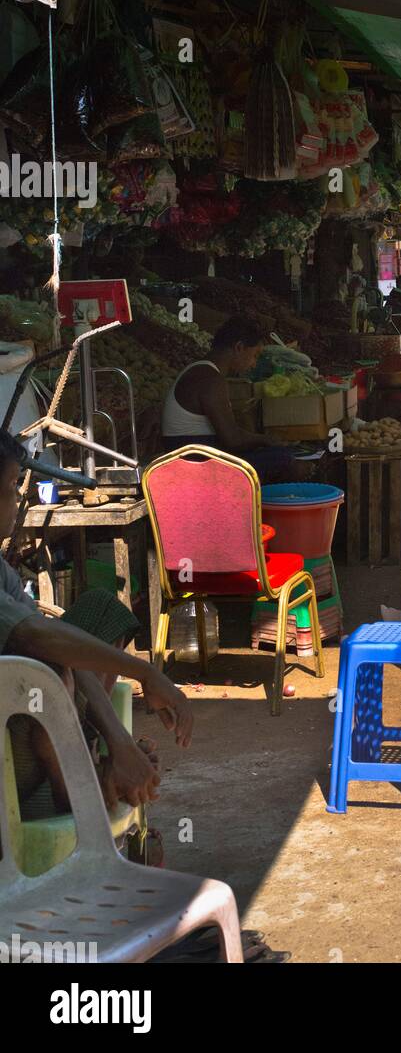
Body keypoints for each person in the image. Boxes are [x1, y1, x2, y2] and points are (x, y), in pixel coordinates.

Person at [0, 431, 192, 821]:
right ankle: (78, 791)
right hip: (10, 748)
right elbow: (35, 637)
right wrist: (146, 672)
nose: (17, 499)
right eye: (8, 487)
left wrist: (118, 742)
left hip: (31, 724)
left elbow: (51, 639)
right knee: (48, 673)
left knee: (101, 610)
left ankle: (97, 762)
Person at [161, 314, 298, 483]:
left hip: (198, 457)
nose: (254, 363)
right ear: (239, 347)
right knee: (284, 459)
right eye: (254, 355)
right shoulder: (210, 379)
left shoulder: (203, 371)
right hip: (196, 466)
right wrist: (265, 439)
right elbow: (233, 440)